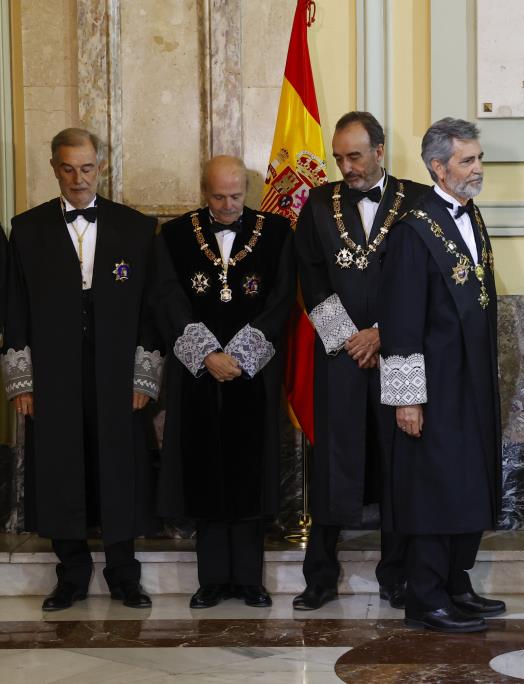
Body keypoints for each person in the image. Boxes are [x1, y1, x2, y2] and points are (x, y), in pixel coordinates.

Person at [4, 128, 161, 611]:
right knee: (59, 466)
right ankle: (70, 575)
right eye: (68, 168)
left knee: (120, 465)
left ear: (101, 166)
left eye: (87, 167)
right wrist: (21, 382)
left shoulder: (135, 228)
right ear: (54, 168)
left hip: (117, 372)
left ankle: (123, 575)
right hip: (54, 373)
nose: (78, 178)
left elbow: (151, 310)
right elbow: (15, 309)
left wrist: (144, 375)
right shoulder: (26, 230)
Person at [292, 111, 427, 611]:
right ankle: (320, 576)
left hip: (399, 355)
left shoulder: (417, 201)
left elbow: (424, 282)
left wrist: (382, 334)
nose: (347, 167)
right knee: (334, 462)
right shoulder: (316, 205)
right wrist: (350, 338)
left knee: (397, 464)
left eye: (355, 156)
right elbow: (310, 276)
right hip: (342, 357)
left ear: (379, 150)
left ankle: (396, 575)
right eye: (339, 157)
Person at [378, 117, 504, 633]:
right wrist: (407, 398)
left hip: (470, 380)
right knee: (434, 487)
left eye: (478, 158)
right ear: (438, 166)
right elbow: (402, 320)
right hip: (432, 385)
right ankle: (425, 596)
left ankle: (456, 583)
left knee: (467, 482)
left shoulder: (470, 216)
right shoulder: (413, 230)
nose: (477, 168)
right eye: (467, 160)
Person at [156, 156, 295, 609]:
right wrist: (207, 354)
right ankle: (212, 579)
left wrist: (241, 354)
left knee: (248, 471)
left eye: (236, 195)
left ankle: (248, 580)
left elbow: (281, 299)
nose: (229, 204)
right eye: (219, 196)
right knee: (204, 467)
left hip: (253, 373)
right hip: (198, 374)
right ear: (204, 191)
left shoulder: (276, 233)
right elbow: (169, 295)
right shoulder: (175, 235)